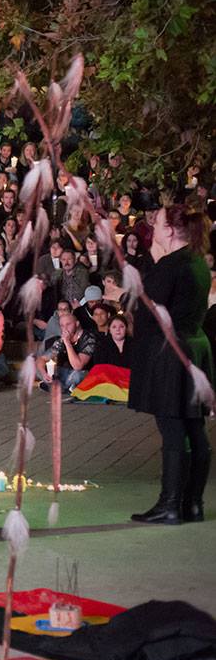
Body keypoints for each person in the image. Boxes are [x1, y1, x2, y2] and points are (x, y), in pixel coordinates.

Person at [128, 201, 213, 524]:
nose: (152, 228)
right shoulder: (197, 262)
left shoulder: (171, 265)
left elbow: (148, 307)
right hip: (194, 347)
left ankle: (170, 504)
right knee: (194, 425)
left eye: (157, 223)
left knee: (174, 427)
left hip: (172, 354)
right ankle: (192, 504)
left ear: (169, 230)